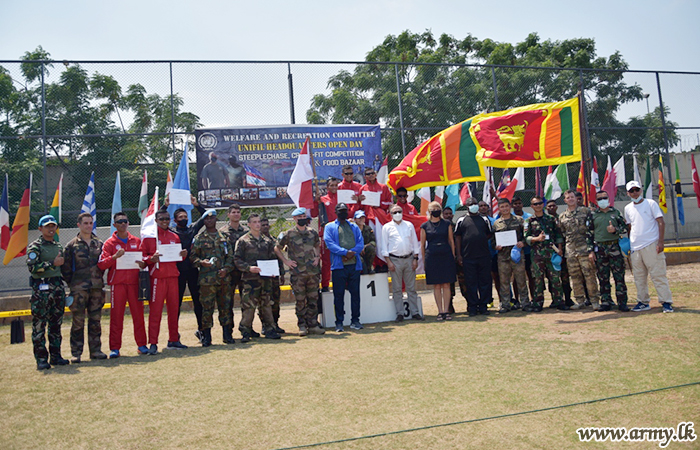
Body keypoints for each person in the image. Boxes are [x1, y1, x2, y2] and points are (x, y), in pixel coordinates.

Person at [97, 212, 148, 358]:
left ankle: (142, 345)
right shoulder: (109, 243)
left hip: (134, 284)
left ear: (128, 223)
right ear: (114, 225)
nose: (123, 224)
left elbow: (144, 260)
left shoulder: (137, 241)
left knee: (138, 315)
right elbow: (101, 264)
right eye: (119, 222)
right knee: (116, 317)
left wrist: (143, 263)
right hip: (118, 284)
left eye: (125, 221)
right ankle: (115, 348)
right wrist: (114, 257)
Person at [141, 210, 189, 354]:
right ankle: (153, 342)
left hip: (173, 277)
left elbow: (177, 258)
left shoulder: (174, 236)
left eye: (167, 218)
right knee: (156, 312)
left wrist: (183, 255)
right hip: (157, 278)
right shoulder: (150, 238)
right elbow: (142, 259)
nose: (165, 221)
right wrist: (151, 259)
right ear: (156, 220)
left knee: (174, 310)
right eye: (161, 218)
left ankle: (173, 339)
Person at [62, 212, 107, 362]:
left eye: (90, 222)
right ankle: (76, 353)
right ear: (79, 225)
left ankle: (96, 351)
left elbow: (103, 265)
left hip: (96, 288)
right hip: (78, 290)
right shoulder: (71, 245)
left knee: (95, 320)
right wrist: (74, 285)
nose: (88, 226)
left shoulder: (99, 243)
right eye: (85, 223)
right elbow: (65, 269)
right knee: (78, 321)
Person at [162, 194, 207, 342]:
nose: (183, 218)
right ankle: (174, 334)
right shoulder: (171, 232)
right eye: (180, 217)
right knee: (176, 303)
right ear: (175, 220)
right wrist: (165, 206)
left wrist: (197, 205)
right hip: (178, 271)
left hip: (193, 270)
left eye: (185, 216)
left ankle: (201, 331)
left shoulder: (192, 229)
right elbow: (158, 222)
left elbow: (207, 217)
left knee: (198, 301)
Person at [624, 180, 673, 313]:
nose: (635, 193)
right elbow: (630, 227)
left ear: (641, 190)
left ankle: (666, 301)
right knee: (639, 277)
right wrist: (629, 244)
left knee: (658, 274)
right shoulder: (628, 208)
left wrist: (660, 241)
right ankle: (643, 301)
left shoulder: (650, 203)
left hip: (651, 244)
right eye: (631, 191)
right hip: (635, 247)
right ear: (628, 193)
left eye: (637, 190)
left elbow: (660, 222)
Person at [27, 215, 68, 370]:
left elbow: (62, 269)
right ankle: (41, 359)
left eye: (53, 226)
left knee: (56, 325)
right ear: (40, 228)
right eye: (47, 226)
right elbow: (32, 268)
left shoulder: (58, 246)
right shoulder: (35, 247)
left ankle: (56, 356)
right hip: (41, 291)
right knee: (39, 325)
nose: (51, 229)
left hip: (57, 289)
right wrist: (52, 263)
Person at [275, 208, 325, 336]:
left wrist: (317, 256)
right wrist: (286, 262)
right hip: (298, 273)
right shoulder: (289, 234)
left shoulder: (312, 232)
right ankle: (302, 325)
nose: (302, 218)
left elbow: (317, 245)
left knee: (313, 299)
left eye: (304, 216)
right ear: (295, 219)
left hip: (312, 273)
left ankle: (313, 324)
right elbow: (277, 248)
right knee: (300, 300)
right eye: (299, 216)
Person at [190, 210, 235, 346]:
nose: (209, 221)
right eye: (207, 219)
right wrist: (201, 262)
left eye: (212, 218)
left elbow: (230, 257)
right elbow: (192, 257)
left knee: (225, 307)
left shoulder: (224, 237)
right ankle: (207, 337)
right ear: (204, 221)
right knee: (207, 308)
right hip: (206, 281)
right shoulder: (199, 238)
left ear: (216, 219)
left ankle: (227, 335)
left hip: (223, 279)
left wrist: (226, 269)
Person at [233, 213, 282, 342]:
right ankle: (245, 330)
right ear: (249, 224)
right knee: (249, 306)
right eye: (254, 222)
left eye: (258, 221)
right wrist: (248, 268)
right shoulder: (243, 241)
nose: (257, 224)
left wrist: (274, 271)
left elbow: (273, 258)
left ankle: (270, 329)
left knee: (266, 304)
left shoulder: (267, 241)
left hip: (266, 279)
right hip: (250, 279)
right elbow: (237, 259)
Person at [324, 203, 364, 332]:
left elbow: (360, 243)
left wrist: (352, 252)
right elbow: (329, 243)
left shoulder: (354, 226)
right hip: (338, 267)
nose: (343, 212)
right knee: (338, 295)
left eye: (345, 210)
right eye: (340, 210)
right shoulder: (329, 227)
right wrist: (344, 252)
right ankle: (339, 322)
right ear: (336, 212)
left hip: (354, 266)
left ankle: (355, 320)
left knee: (355, 295)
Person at [559, 189, 601, 310]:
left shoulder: (586, 211)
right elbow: (562, 233)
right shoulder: (562, 216)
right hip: (571, 251)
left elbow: (593, 229)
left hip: (585, 250)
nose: (570, 199)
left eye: (572, 197)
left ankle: (594, 301)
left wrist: (592, 249)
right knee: (575, 277)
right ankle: (580, 300)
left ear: (576, 198)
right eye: (568, 198)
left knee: (589, 275)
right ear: (565, 200)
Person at [524, 196, 566, 312]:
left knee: (555, 278)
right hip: (537, 255)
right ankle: (538, 303)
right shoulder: (529, 221)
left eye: (539, 203)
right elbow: (526, 238)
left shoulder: (551, 219)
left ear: (543, 204)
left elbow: (558, 235)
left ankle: (558, 301)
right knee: (538, 279)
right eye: (535, 204)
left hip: (551, 253)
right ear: (532, 206)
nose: (538, 205)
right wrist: (537, 238)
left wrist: (560, 249)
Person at [382, 204, 422, 322]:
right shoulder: (386, 227)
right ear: (390, 214)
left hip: (409, 259)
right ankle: (400, 313)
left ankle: (415, 312)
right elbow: (384, 246)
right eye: (394, 212)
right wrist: (388, 261)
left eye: (399, 211)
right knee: (397, 288)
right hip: (394, 260)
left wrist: (415, 259)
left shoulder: (409, 225)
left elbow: (415, 243)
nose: (397, 214)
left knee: (411, 288)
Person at [454, 198, 493, 316]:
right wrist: (459, 255)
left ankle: (483, 306)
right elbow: (458, 237)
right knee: (470, 282)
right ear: (467, 206)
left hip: (484, 256)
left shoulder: (484, 219)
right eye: (471, 204)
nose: (474, 206)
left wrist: (479, 240)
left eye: (475, 204)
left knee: (485, 281)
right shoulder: (461, 220)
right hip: (467, 257)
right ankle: (472, 306)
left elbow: (489, 233)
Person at [592, 190, 629, 311]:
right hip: (600, 248)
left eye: (604, 198)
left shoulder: (615, 213)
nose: (602, 200)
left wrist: (615, 230)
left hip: (614, 247)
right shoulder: (593, 215)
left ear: (608, 198)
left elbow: (624, 228)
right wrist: (590, 251)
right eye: (599, 199)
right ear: (596, 201)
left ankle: (622, 302)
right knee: (603, 277)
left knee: (619, 276)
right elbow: (589, 234)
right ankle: (606, 301)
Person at [420, 202, 456, 320]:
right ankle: (440, 311)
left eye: (437, 208)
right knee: (436, 285)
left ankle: (446, 311)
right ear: (429, 211)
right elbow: (422, 244)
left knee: (446, 284)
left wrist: (453, 255)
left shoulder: (446, 224)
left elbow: (451, 241)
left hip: (446, 255)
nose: (435, 210)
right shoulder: (424, 226)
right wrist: (424, 260)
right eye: (433, 209)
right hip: (432, 256)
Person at [492, 198, 529, 313]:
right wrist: (496, 246)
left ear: (510, 207)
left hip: (517, 255)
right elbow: (493, 241)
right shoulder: (496, 223)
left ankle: (525, 303)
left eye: (506, 206)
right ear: (499, 208)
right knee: (504, 281)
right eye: (502, 207)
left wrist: (522, 242)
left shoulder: (519, 220)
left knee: (521, 280)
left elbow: (526, 235)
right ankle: (506, 304)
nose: (505, 209)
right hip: (503, 257)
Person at [220, 203, 251, 333]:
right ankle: (228, 330)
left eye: (238, 212)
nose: (236, 214)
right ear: (228, 214)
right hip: (229, 271)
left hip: (243, 271)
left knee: (247, 301)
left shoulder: (246, 232)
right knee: (227, 302)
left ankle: (246, 328)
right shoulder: (222, 232)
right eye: (233, 212)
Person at [309, 176, 339, 292]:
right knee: (326, 261)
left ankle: (342, 283)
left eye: (336, 185)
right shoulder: (322, 199)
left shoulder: (341, 199)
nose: (334, 187)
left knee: (341, 259)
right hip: (326, 235)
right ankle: (325, 285)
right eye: (331, 185)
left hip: (340, 235)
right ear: (327, 187)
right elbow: (313, 214)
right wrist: (315, 202)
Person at [546, 199, 573, 306]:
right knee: (552, 278)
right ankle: (555, 299)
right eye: (549, 206)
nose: (551, 208)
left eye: (553, 206)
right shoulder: (545, 220)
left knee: (565, 277)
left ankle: (568, 298)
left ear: (557, 207)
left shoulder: (562, 218)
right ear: (546, 208)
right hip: (549, 253)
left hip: (563, 251)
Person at [261, 217, 285, 334]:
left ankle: (275, 324)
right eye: (263, 225)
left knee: (276, 301)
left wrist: (282, 274)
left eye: (267, 225)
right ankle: (265, 325)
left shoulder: (275, 241)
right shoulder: (257, 241)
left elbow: (280, 259)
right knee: (264, 302)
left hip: (274, 276)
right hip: (262, 277)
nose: (265, 227)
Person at [512, 196, 535, 305]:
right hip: (515, 253)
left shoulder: (529, 217)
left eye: (519, 203)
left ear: (522, 204)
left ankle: (533, 299)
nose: (517, 205)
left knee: (531, 276)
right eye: (515, 203)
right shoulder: (509, 218)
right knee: (516, 278)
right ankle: (517, 300)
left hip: (528, 252)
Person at [479, 200, 503, 307]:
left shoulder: (495, 222)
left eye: (485, 206)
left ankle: (502, 300)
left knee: (498, 278)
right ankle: (488, 300)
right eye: (481, 206)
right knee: (484, 279)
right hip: (481, 255)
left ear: (488, 208)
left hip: (494, 254)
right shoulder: (475, 221)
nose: (483, 208)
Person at [444, 206, 466, 313]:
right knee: (449, 284)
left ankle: (470, 303)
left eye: (450, 214)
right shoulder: (441, 228)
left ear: (452, 215)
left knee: (464, 282)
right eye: (446, 214)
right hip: (447, 260)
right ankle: (449, 306)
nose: (448, 216)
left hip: (459, 258)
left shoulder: (457, 227)